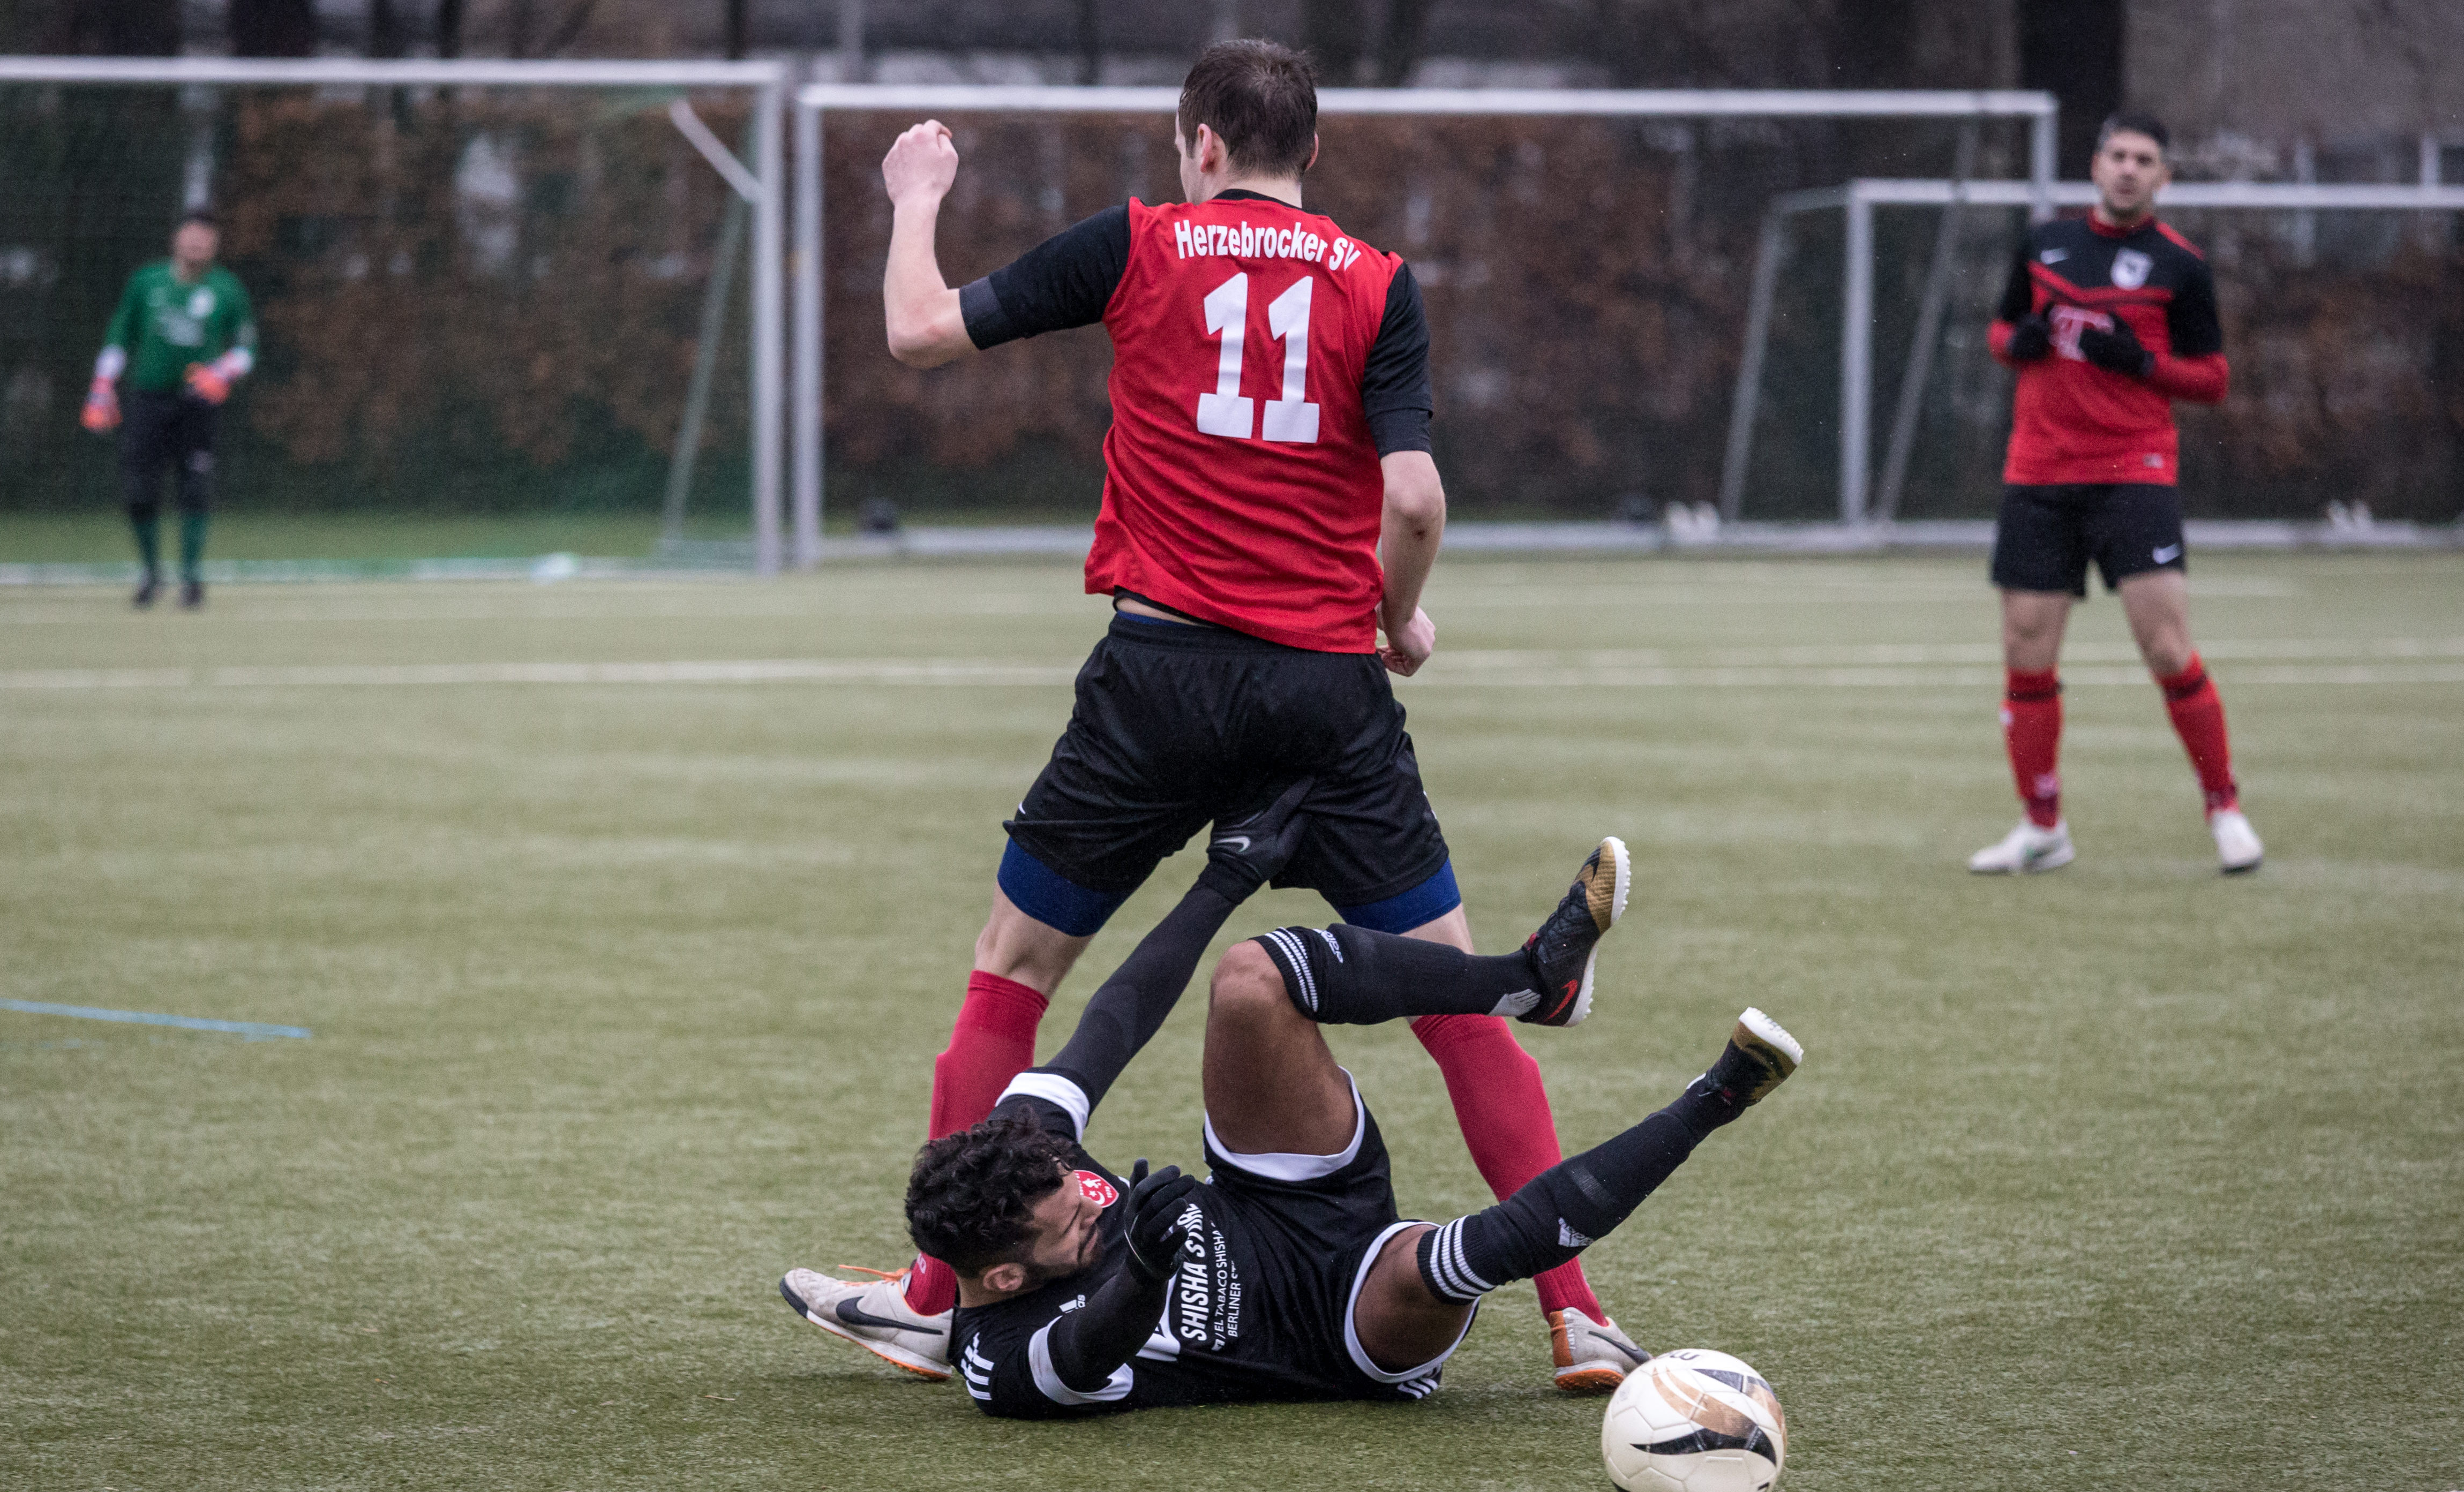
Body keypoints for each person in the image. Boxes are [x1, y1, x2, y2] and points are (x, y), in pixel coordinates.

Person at [785, 39, 1646, 1390]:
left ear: (1197, 144)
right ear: (1314, 150)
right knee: (1459, 1000)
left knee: (1015, 969)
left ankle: (932, 1300)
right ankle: (1576, 1314)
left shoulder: (1138, 245)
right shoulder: (1376, 281)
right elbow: (1415, 498)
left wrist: (916, 196)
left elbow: (918, 330)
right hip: (1324, 695)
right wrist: (1397, 616)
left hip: (1159, 683)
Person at [785, 824, 1804, 1420]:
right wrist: (1139, 1266)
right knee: (1454, 1260)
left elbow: (1118, 1015)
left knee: (1249, 978)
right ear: (1006, 1276)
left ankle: (1527, 982)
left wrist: (1225, 876)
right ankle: (1716, 1099)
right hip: (1336, 1332)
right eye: (1075, 1218)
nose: (1091, 1195)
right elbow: (1093, 1345)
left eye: (1079, 1185)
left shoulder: (1023, 1153)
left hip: (1285, 1190)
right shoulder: (1002, 1361)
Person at [1970, 111, 2262, 877]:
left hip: (2134, 472)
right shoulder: (2044, 245)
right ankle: (2042, 828)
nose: (2129, 169)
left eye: (2144, 159)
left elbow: (2213, 379)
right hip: (2038, 474)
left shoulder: (2180, 266)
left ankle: (2225, 809)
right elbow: (2001, 331)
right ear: (2096, 166)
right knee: (2025, 653)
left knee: (2165, 647)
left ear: (2163, 177)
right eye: (2118, 155)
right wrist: (2017, 345)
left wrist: (2142, 365)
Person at [81, 210, 256, 612]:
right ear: (176, 238)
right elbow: (119, 333)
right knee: (140, 491)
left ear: (215, 245)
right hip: (149, 400)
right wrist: (102, 385)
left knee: (195, 490)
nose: (197, 243)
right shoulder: (147, 282)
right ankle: (151, 574)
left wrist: (222, 371)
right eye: (191, 235)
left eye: (206, 238)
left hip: (199, 406)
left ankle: (191, 578)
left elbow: (248, 347)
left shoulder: (226, 289)